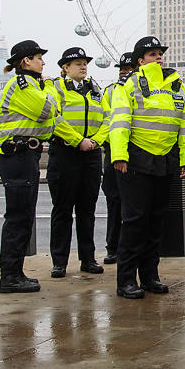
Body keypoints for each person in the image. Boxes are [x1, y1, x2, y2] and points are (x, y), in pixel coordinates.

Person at [109, 36, 185, 298]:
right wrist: (119, 155)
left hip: (165, 160)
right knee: (135, 222)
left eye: (160, 53)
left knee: (156, 221)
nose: (158, 57)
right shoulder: (129, 85)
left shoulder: (176, 86)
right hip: (136, 160)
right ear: (139, 61)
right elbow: (120, 122)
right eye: (151, 54)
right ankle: (125, 280)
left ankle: (150, 276)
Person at [0, 39, 56, 294]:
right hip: (18, 155)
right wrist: (51, 87)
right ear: (26, 61)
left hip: (25, 155)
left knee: (23, 216)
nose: (43, 62)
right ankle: (9, 275)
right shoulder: (23, 85)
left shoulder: (32, 85)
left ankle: (15, 272)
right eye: (39, 57)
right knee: (18, 216)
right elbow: (47, 110)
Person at [45, 46, 107, 278]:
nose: (83, 66)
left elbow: (107, 117)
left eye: (85, 63)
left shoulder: (95, 89)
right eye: (77, 63)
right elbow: (54, 117)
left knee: (87, 209)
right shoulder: (56, 87)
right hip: (65, 153)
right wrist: (77, 140)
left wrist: (95, 141)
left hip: (90, 154)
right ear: (65, 68)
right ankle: (59, 261)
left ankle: (88, 259)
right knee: (62, 209)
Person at [100, 51, 136, 265]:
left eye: (128, 69)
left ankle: (131, 247)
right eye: (121, 69)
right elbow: (105, 120)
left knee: (135, 205)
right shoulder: (110, 91)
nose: (124, 72)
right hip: (113, 153)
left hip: (136, 153)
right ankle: (113, 247)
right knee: (114, 202)